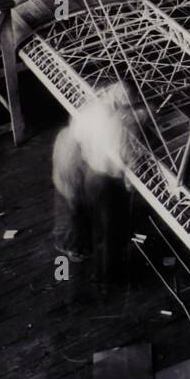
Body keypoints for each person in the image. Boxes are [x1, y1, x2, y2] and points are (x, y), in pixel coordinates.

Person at [52, 83, 138, 283]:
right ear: (124, 104)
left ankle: (78, 250)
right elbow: (125, 159)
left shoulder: (93, 109)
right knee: (110, 231)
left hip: (89, 171)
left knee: (89, 216)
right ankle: (107, 277)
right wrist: (128, 182)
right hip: (105, 180)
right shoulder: (121, 125)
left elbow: (81, 134)